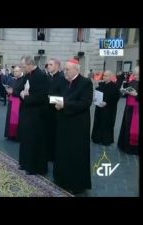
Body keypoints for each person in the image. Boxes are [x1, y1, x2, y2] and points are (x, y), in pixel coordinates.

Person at [53, 59, 93, 194]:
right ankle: (62, 180)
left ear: (76, 69)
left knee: (76, 154)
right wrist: (56, 102)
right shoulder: (65, 82)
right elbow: (60, 96)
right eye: (64, 69)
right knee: (63, 152)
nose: (65, 71)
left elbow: (85, 103)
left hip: (78, 126)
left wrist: (65, 105)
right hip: (64, 123)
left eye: (67, 69)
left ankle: (76, 184)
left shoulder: (86, 83)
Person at [18, 55, 50, 175]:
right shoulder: (27, 75)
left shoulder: (41, 76)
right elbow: (20, 89)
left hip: (37, 114)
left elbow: (41, 97)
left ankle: (34, 167)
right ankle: (25, 163)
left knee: (35, 141)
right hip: (27, 112)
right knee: (26, 138)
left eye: (23, 66)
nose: (22, 68)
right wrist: (22, 94)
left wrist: (25, 97)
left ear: (30, 64)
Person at [91, 70, 120, 146]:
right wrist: (95, 98)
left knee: (106, 124)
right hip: (99, 108)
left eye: (106, 76)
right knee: (98, 122)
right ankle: (96, 138)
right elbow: (97, 93)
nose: (104, 77)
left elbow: (116, 98)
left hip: (108, 110)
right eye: (104, 75)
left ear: (110, 77)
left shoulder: (114, 86)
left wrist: (107, 103)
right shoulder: (101, 84)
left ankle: (106, 140)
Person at [46, 58, 65, 161]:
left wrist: (50, 98)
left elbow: (64, 97)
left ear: (57, 66)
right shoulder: (47, 77)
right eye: (48, 64)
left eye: (51, 64)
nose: (48, 66)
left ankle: (54, 156)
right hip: (46, 111)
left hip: (56, 112)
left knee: (55, 135)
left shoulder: (62, 78)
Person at [118, 66, 139, 155]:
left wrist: (136, 94)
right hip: (129, 108)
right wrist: (125, 91)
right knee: (127, 126)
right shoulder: (132, 81)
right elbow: (127, 91)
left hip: (137, 110)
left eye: (137, 74)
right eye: (134, 74)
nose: (135, 76)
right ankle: (125, 146)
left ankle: (133, 148)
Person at [4, 66, 25, 140]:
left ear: (20, 71)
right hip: (12, 101)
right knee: (10, 118)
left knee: (17, 120)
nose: (14, 73)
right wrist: (8, 92)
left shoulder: (24, 80)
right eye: (14, 71)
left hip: (19, 102)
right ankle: (11, 135)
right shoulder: (14, 79)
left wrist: (13, 92)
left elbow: (22, 92)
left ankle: (16, 136)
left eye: (16, 71)